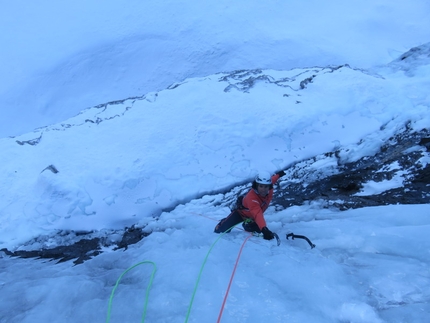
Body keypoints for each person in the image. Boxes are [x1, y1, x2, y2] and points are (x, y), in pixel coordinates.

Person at [214, 170, 286, 240]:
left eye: (266, 187)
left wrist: (278, 175)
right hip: (241, 214)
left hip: (252, 217)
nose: (263, 189)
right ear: (256, 185)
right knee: (223, 229)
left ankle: (247, 225)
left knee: (255, 231)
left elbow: (272, 180)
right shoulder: (252, 198)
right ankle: (222, 223)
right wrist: (264, 229)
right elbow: (257, 213)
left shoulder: (269, 189)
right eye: (261, 186)